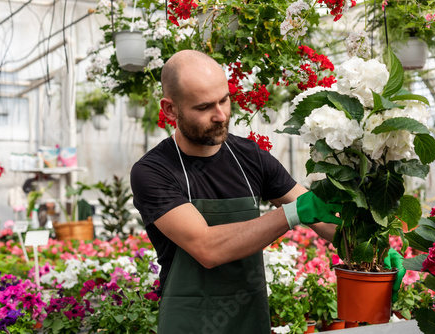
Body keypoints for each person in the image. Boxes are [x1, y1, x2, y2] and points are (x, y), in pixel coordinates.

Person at [130, 50, 341, 334]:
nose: (220, 115)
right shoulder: (154, 171)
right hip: (189, 323)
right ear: (170, 110)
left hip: (249, 319)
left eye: (224, 100)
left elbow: (319, 213)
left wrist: (364, 247)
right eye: (204, 107)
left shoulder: (250, 157)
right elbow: (207, 247)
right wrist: (292, 213)